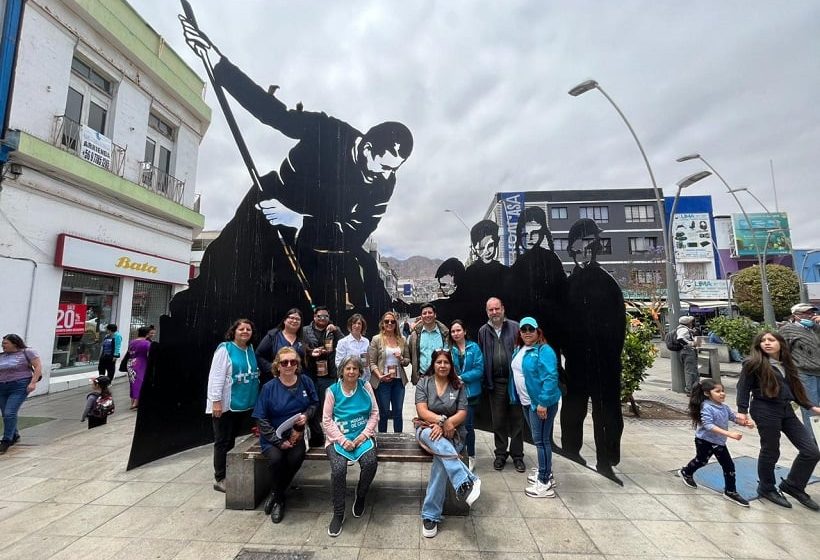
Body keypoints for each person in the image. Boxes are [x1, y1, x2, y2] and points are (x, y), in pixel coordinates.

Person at [181, 19, 413, 321]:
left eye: (392, 171)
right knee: (221, 278)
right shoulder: (328, 131)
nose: (384, 178)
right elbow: (274, 114)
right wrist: (219, 66)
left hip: (315, 245)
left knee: (303, 313)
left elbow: (355, 234)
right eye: (382, 167)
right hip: (269, 204)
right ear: (368, 147)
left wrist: (298, 221)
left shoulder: (385, 182)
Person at [736, 331, 820, 510]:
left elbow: (796, 388)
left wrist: (810, 406)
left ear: (780, 343)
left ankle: (793, 485)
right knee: (771, 449)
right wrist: (742, 411)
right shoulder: (753, 363)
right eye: (763, 341)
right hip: (764, 408)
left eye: (771, 340)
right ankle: (766, 487)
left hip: (786, 409)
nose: (767, 343)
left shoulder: (787, 364)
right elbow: (743, 387)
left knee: (811, 451)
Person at [416, 349, 481, 538]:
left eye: (446, 362)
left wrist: (447, 424)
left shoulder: (458, 385)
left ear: (451, 365)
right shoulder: (424, 383)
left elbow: (463, 412)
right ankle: (466, 480)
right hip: (426, 429)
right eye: (439, 362)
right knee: (435, 438)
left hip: (454, 433)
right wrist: (441, 421)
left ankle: (430, 515)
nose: (442, 366)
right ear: (433, 364)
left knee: (441, 463)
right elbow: (422, 411)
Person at [253, 347, 319, 524]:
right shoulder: (268, 387)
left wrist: (307, 414)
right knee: (276, 459)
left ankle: (275, 493)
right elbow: (260, 417)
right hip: (273, 433)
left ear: (297, 364)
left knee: (295, 457)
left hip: (297, 432)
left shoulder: (305, 381)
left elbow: (314, 403)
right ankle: (280, 499)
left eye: (293, 362)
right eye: (284, 362)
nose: (289, 365)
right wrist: (277, 441)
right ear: (278, 366)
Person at [322, 356, 379, 537]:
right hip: (338, 439)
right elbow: (326, 419)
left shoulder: (366, 387)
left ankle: (361, 495)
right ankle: (338, 513)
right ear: (342, 371)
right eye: (348, 368)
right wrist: (341, 439)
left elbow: (375, 413)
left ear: (360, 371)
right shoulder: (332, 391)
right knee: (338, 470)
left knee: (370, 463)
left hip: (362, 436)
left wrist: (363, 435)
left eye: (355, 368)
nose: (352, 372)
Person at [206, 319, 261, 493]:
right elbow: (216, 377)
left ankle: (230, 472)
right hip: (225, 405)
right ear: (234, 331)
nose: (245, 331)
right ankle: (220, 477)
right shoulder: (225, 349)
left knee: (231, 440)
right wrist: (216, 402)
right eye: (241, 329)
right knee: (222, 441)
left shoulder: (250, 349)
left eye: (249, 329)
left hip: (243, 403)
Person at [679, 380, 754, 507]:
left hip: (718, 442)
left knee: (729, 466)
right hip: (704, 441)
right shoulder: (706, 407)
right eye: (718, 391)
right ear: (707, 393)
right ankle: (686, 472)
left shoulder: (724, 407)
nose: (722, 394)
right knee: (701, 461)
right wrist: (729, 434)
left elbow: (733, 417)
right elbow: (708, 426)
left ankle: (730, 491)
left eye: (723, 391)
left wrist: (745, 423)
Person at [509, 317, 561, 498]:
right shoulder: (521, 349)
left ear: (538, 331)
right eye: (524, 329)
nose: (527, 332)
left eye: (531, 329)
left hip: (540, 405)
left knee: (542, 442)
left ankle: (545, 482)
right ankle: (546, 472)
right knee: (539, 440)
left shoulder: (544, 350)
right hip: (527, 402)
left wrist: (543, 403)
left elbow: (551, 377)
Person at [477, 298, 525, 472]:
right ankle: (500, 455)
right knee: (498, 421)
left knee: (517, 420)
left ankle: (518, 456)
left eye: (497, 309)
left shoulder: (515, 327)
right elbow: (483, 354)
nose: (494, 312)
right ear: (487, 311)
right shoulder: (483, 331)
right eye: (491, 310)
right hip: (495, 383)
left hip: (514, 383)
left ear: (503, 309)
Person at [779, 303, 820, 441]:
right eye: (805, 313)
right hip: (804, 372)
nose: (810, 315)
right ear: (796, 315)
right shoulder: (788, 330)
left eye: (811, 313)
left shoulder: (815, 328)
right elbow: (782, 352)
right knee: (811, 407)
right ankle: (813, 442)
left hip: (819, 372)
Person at [303, 306, 341, 446]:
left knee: (329, 406)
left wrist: (336, 331)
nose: (322, 319)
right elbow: (300, 347)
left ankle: (330, 435)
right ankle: (314, 435)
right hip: (311, 373)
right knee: (312, 404)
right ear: (314, 316)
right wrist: (311, 351)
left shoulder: (333, 329)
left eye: (325, 316)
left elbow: (343, 343)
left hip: (329, 374)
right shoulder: (305, 331)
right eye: (319, 316)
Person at [448, 320, 483, 471]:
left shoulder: (474, 348)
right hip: (453, 393)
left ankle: (471, 455)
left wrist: (462, 378)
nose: (456, 334)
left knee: (468, 426)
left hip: (470, 393)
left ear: (465, 331)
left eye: (458, 330)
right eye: (453, 331)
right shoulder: (449, 349)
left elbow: (479, 369)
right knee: (454, 425)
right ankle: (456, 454)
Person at [367, 311, 411, 432]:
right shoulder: (376, 339)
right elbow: (371, 363)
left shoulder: (402, 339)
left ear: (396, 324)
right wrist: (380, 376)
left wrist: (401, 359)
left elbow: (407, 360)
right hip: (382, 382)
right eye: (387, 321)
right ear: (382, 324)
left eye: (392, 321)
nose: (390, 323)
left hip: (398, 381)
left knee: (398, 412)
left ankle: (399, 439)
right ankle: (383, 439)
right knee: (384, 412)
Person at [0, 334, 43, 454]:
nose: (3, 346)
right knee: (5, 413)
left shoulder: (27, 352)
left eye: (5, 343)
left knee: (9, 412)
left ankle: (6, 440)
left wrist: (33, 383)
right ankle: (14, 434)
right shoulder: (2, 356)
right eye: (2, 344)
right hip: (2, 387)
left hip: (19, 385)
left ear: (14, 343)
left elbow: (38, 366)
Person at [256, 309, 306, 385]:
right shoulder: (273, 336)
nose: (294, 321)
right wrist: (273, 369)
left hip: (296, 382)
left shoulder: (303, 338)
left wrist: (312, 352)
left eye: (298, 319)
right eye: (291, 318)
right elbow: (259, 355)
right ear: (284, 320)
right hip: (275, 381)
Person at [407, 303, 450, 385]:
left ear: (435, 315)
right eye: (424, 313)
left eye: (430, 312)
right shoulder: (415, 335)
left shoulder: (444, 334)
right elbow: (412, 356)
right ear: (421, 316)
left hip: (442, 378)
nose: (427, 315)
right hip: (422, 378)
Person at [126, 326, 151, 410]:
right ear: (147, 334)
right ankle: (136, 403)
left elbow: (129, 352)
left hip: (130, 363)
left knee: (132, 383)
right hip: (141, 364)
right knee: (140, 383)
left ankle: (132, 402)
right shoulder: (147, 343)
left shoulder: (132, 342)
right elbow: (150, 354)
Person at [676, 316, 700, 395]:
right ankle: (690, 389)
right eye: (690, 322)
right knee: (690, 371)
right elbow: (680, 338)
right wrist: (691, 344)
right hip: (688, 351)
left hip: (687, 351)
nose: (692, 323)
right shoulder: (683, 329)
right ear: (688, 323)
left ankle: (695, 388)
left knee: (692, 370)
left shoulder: (683, 329)